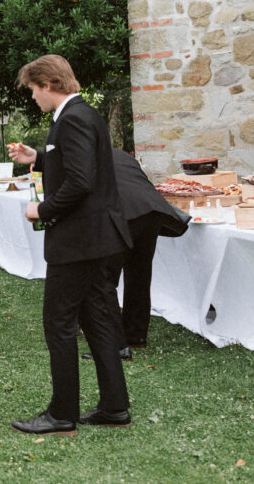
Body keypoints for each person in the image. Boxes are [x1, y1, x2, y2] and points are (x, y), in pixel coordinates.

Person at [8, 54, 133, 435]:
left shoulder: (73, 118)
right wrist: (39, 156)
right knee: (98, 321)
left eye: (33, 90)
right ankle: (114, 407)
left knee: (59, 323)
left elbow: (81, 181)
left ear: (48, 85)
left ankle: (62, 414)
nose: (32, 97)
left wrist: (41, 210)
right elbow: (78, 164)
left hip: (80, 241)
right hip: (98, 239)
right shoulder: (83, 114)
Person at [82, 149, 190, 358]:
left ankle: (114, 345)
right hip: (151, 211)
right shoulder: (119, 154)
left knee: (103, 280)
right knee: (139, 274)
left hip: (122, 213)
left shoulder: (78, 156)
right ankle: (136, 335)